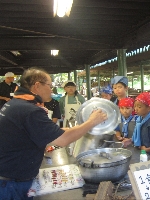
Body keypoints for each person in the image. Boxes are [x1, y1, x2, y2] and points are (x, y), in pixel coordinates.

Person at [0, 68, 107, 200]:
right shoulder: (29, 110)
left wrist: (83, 125)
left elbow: (57, 131)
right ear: (37, 85)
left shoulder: (17, 103)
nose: (52, 90)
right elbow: (62, 139)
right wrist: (91, 122)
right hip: (12, 183)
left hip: (10, 176)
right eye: (50, 86)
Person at [122, 92, 150, 159]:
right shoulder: (140, 120)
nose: (136, 109)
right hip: (143, 154)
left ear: (149, 108)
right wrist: (131, 140)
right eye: (135, 106)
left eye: (139, 107)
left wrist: (147, 149)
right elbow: (143, 136)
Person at [114, 97, 140, 163]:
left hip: (135, 144)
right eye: (122, 108)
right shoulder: (119, 118)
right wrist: (118, 136)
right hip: (124, 143)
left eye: (127, 108)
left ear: (133, 108)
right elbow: (117, 130)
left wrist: (131, 139)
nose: (124, 111)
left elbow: (139, 133)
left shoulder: (137, 118)